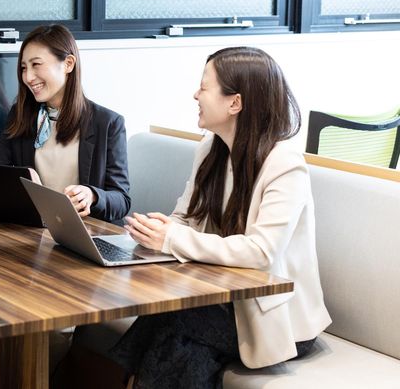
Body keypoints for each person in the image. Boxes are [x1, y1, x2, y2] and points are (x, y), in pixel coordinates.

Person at [110, 46, 331, 389]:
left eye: (204, 87)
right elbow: (185, 218)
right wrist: (158, 230)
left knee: (175, 320)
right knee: (183, 342)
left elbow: (262, 251)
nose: (195, 95)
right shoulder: (210, 148)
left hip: (278, 321)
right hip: (222, 299)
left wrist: (173, 239)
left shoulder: (285, 164)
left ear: (235, 103)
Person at [0, 24, 131, 223]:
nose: (28, 77)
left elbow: (121, 200)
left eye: (36, 65)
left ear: (68, 64)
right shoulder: (21, 115)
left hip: (84, 230)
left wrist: (92, 195)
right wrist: (19, 180)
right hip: (34, 229)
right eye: (24, 68)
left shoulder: (107, 123)